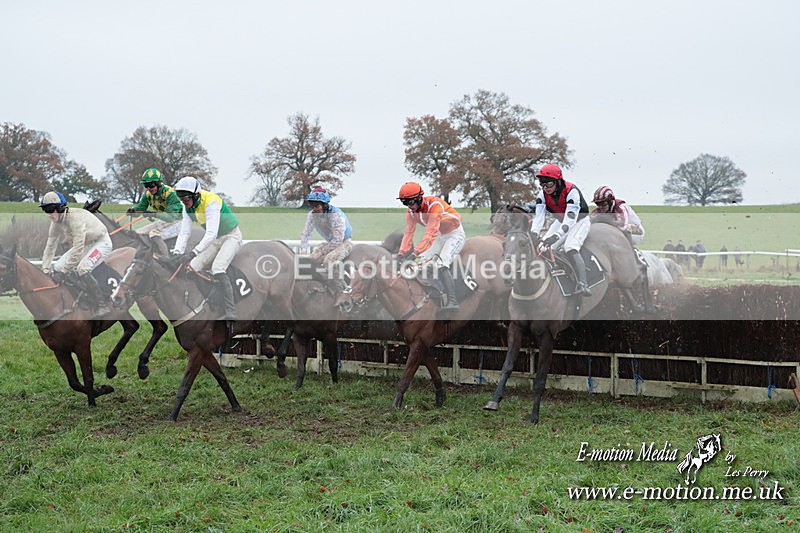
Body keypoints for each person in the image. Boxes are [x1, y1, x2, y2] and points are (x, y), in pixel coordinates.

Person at [171, 176, 242, 320]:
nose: (183, 201)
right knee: (192, 267)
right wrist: (177, 252)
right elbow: (185, 232)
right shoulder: (187, 208)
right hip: (216, 240)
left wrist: (192, 253)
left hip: (231, 236)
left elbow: (211, 234)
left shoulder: (211, 202)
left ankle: (231, 310)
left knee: (218, 268)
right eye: (180, 198)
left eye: (185, 197)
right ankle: (204, 302)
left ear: (195, 194)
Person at [39, 191, 113, 318]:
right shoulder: (55, 224)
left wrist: (64, 271)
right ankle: (79, 297)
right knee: (56, 267)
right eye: (46, 211)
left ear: (60, 208)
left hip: (101, 242)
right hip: (86, 243)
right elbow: (50, 246)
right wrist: (45, 269)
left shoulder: (75, 219)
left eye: (51, 210)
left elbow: (78, 249)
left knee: (82, 269)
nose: (49, 215)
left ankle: (102, 305)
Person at [524, 163, 593, 296]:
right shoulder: (542, 194)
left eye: (549, 183)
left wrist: (556, 236)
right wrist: (534, 233)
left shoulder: (571, 191)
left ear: (558, 181)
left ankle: (583, 284)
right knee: (543, 248)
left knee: (570, 246)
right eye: (542, 184)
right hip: (561, 221)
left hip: (579, 221)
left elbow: (570, 219)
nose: (545, 187)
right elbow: (539, 217)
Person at [397, 181, 465, 311]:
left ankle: (453, 301)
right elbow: (408, 233)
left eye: (410, 202)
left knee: (441, 263)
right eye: (404, 203)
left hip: (454, 234)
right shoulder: (411, 213)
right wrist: (401, 253)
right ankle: (439, 293)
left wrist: (414, 253)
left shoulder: (434, 205)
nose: (409, 206)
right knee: (422, 263)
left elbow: (430, 234)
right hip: (439, 235)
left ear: (419, 198)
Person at [299, 187, 353, 292]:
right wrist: (303, 250)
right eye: (312, 205)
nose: (315, 209)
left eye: (317, 206)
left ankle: (341, 290)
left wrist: (322, 252)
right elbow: (306, 234)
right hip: (330, 243)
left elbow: (338, 240)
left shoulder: (335, 215)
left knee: (329, 260)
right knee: (312, 260)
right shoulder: (312, 215)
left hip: (344, 243)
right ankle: (320, 286)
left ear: (325, 204)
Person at [126, 168, 183, 255]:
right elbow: (141, 208)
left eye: (151, 185)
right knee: (139, 232)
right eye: (146, 185)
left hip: (178, 221)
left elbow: (171, 218)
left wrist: (153, 214)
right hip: (165, 221)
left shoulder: (170, 194)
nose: (149, 188)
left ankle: (166, 261)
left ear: (158, 183)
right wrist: (134, 211)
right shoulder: (148, 194)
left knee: (154, 233)